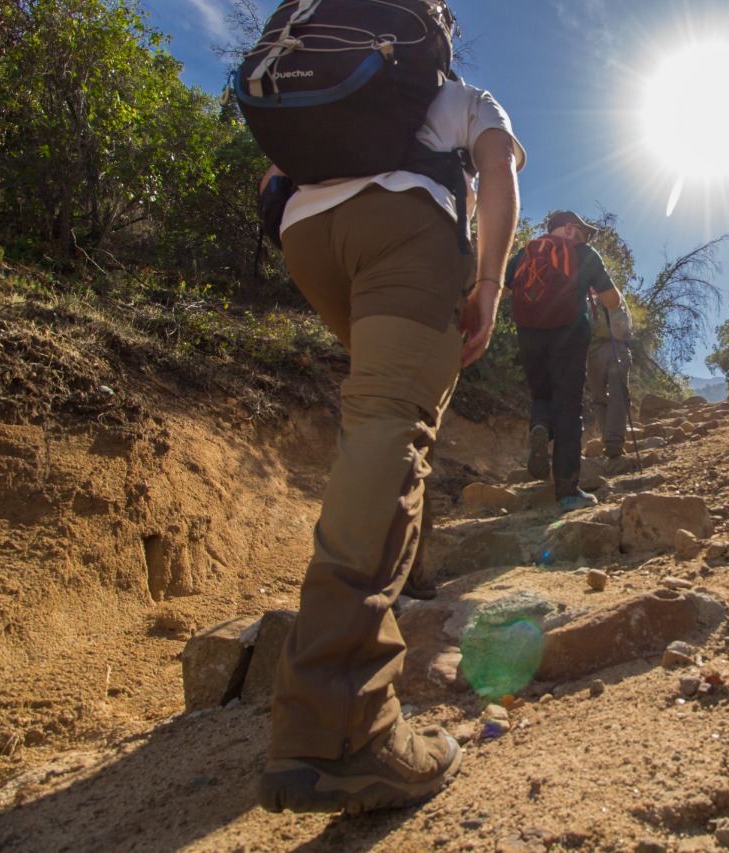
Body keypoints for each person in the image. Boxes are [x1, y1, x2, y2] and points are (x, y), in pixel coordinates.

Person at [255, 7, 524, 815]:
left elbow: (270, 178)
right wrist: (489, 282)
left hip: (308, 236)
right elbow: (498, 172)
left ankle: (400, 584)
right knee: (390, 425)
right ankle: (340, 728)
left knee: (384, 420)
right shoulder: (460, 96)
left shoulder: (324, 77)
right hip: (403, 229)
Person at [506, 211, 620, 513]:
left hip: (529, 337)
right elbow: (612, 301)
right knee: (568, 406)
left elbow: (505, 285)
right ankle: (568, 492)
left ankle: (540, 426)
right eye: (582, 231)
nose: (585, 238)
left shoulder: (526, 252)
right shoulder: (584, 254)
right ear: (569, 229)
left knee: (541, 395)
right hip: (569, 335)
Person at [586, 289, 633, 460]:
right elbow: (626, 327)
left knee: (599, 399)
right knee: (618, 395)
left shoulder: (584, 297)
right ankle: (614, 444)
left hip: (593, 353)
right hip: (617, 350)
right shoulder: (614, 294)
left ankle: (608, 441)